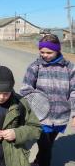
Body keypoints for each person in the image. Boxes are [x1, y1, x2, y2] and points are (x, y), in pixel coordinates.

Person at [20, 34, 75, 166]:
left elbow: (74, 91)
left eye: (49, 52)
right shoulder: (35, 66)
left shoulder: (69, 68)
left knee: (48, 145)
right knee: (45, 147)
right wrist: (39, 102)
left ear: (58, 50)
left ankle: (37, 162)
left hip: (60, 117)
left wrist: (74, 114)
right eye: (42, 52)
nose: (45, 55)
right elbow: (25, 89)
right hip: (40, 118)